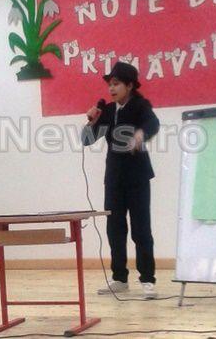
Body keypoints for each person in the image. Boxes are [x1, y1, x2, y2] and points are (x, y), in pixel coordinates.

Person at [82, 62, 160, 299]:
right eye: (110, 84)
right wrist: (91, 121)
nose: (111, 89)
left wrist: (141, 134)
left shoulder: (140, 105)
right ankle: (119, 278)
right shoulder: (106, 111)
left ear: (129, 85)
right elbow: (86, 140)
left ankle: (147, 280)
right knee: (115, 229)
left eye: (116, 84)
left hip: (137, 177)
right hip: (114, 178)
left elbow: (153, 124)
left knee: (141, 229)